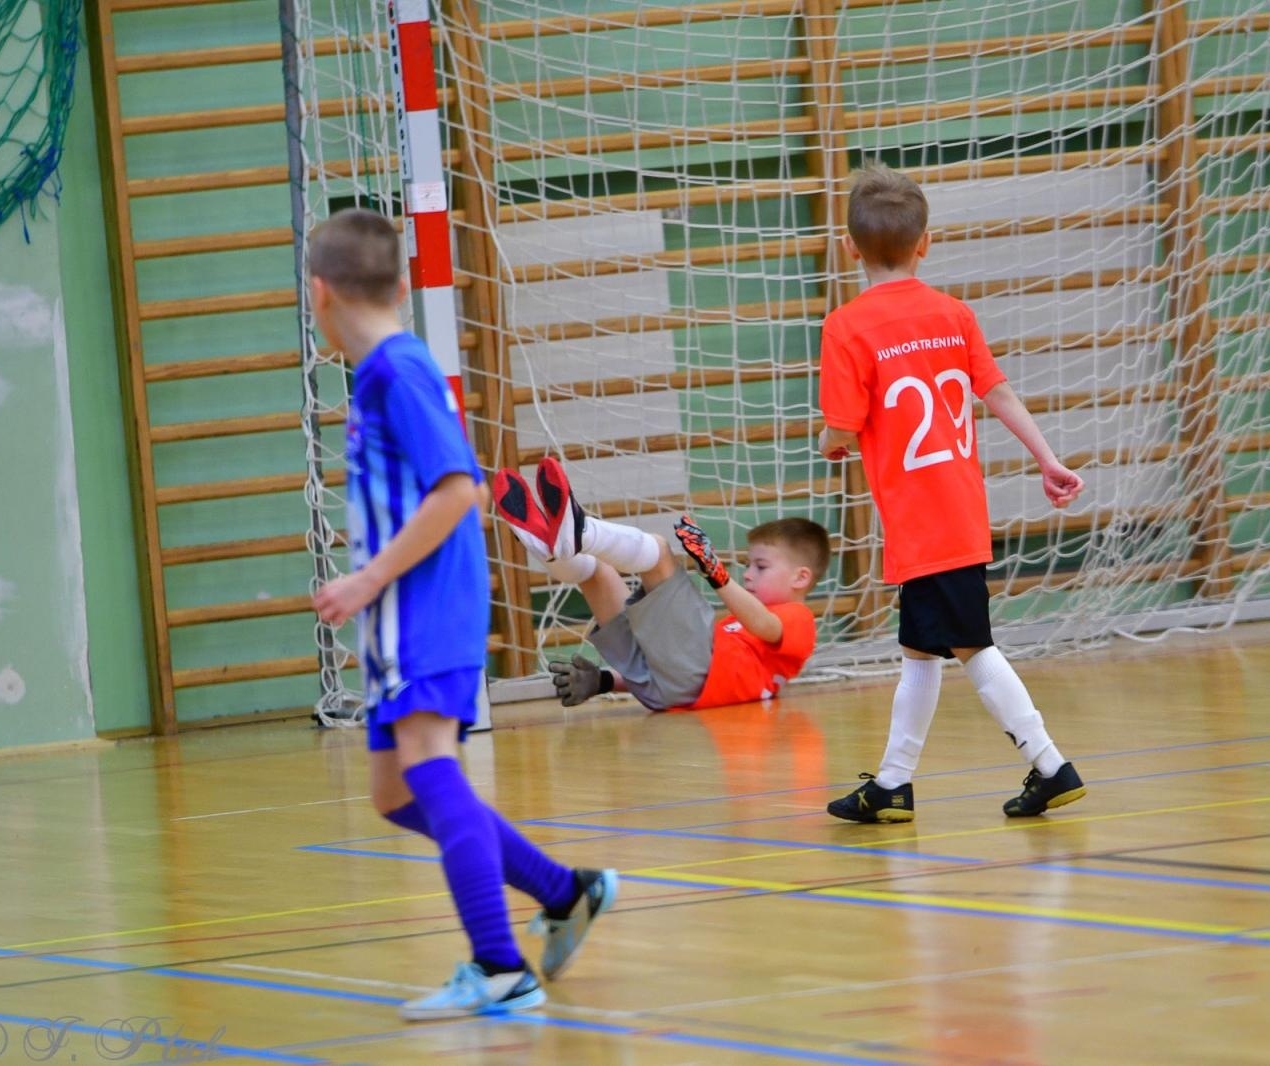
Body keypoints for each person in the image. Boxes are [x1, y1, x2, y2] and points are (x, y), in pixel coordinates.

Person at [307, 208, 616, 1017]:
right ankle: (563, 891)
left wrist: (368, 581)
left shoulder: (397, 372)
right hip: (402, 616)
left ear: (318, 294)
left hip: (421, 607)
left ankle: (498, 967)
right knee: (396, 793)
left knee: (430, 768)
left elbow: (459, 490)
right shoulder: (383, 372)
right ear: (404, 285)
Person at [815, 162, 1087, 824]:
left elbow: (840, 429)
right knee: (920, 649)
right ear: (926, 242)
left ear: (849, 246)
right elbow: (996, 392)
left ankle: (1051, 764)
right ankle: (893, 784)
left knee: (971, 647)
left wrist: (831, 443)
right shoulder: (953, 314)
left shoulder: (847, 328)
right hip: (959, 509)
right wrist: (1047, 459)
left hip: (920, 518)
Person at [494, 457, 829, 711]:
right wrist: (605, 681)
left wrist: (717, 574)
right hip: (663, 691)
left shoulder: (798, 618)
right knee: (596, 573)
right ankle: (553, 550)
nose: (750, 574)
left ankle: (581, 532)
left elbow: (764, 624)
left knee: (659, 555)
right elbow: (671, 666)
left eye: (761, 566)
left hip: (695, 682)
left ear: (801, 578)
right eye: (747, 565)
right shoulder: (736, 629)